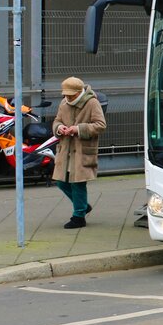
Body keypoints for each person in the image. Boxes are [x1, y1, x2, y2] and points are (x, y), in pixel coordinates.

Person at [52, 76, 107, 230]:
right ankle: (82, 205)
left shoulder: (92, 102)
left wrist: (78, 129)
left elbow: (101, 125)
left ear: (79, 92)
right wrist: (59, 128)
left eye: (71, 95)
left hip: (83, 150)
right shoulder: (64, 103)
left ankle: (79, 216)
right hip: (66, 149)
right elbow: (57, 121)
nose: (67, 98)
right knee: (61, 182)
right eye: (65, 95)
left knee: (78, 183)